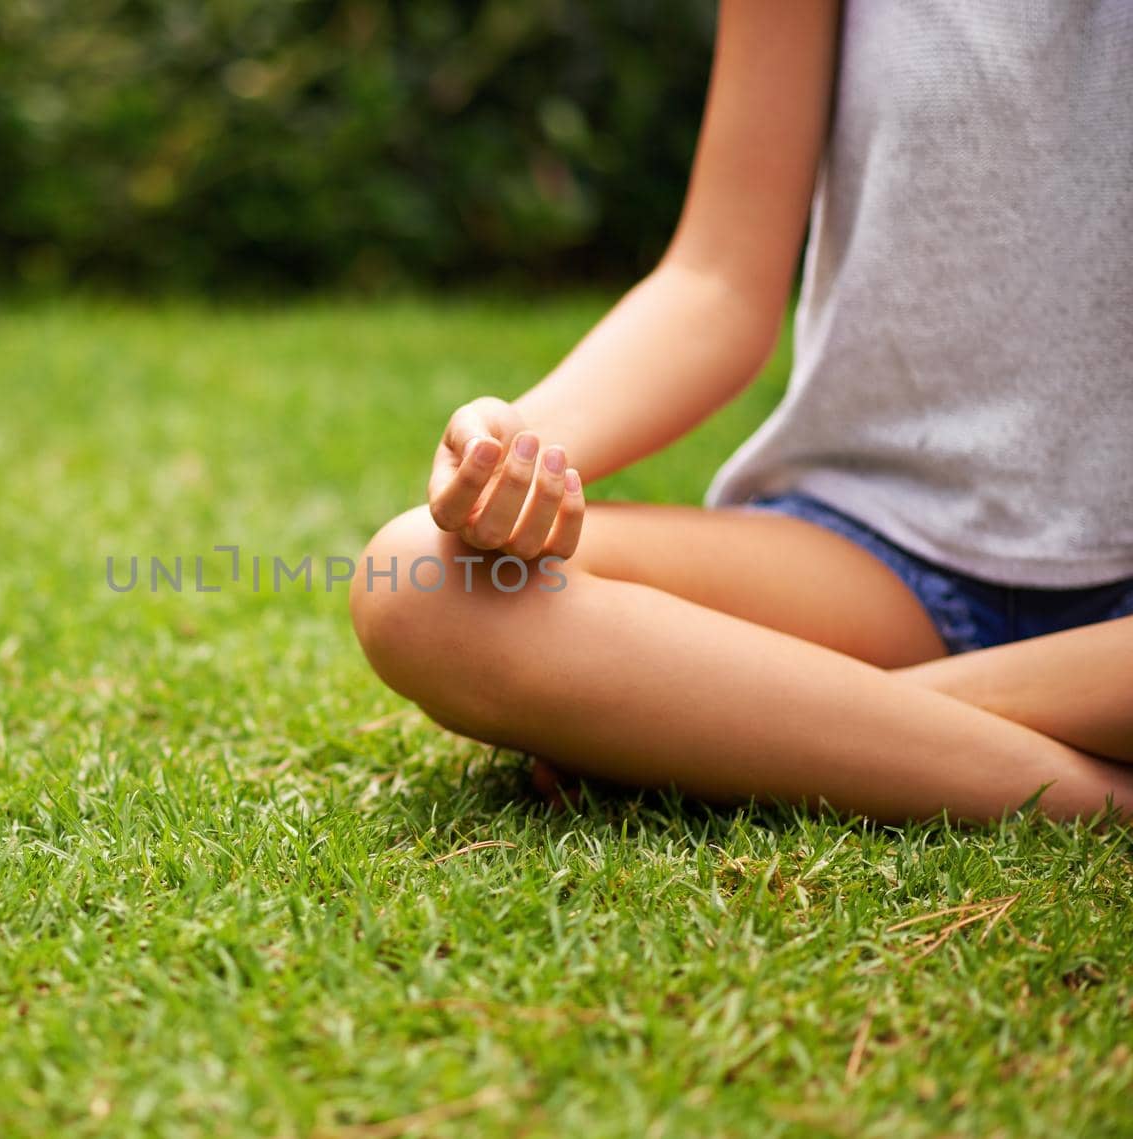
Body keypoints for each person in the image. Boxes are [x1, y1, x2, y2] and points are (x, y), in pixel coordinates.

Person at [348, 0, 1133, 822]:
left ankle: (770, 729)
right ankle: (1100, 799)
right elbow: (716, 282)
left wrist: (698, 709)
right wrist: (514, 448)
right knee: (421, 581)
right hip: (873, 555)